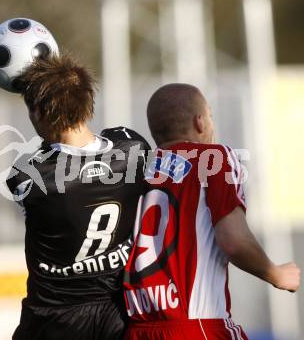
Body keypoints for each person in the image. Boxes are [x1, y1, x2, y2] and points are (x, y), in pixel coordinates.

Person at [123, 83, 300, 340]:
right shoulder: (213, 158)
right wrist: (276, 274)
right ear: (200, 122)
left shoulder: (136, 171)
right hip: (197, 327)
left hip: (138, 329)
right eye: (210, 116)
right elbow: (233, 240)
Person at [6, 53, 151, 340]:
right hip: (119, 312)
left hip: (55, 318)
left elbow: (49, 160)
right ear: (88, 103)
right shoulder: (134, 148)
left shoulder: (28, 176)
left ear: (39, 113)